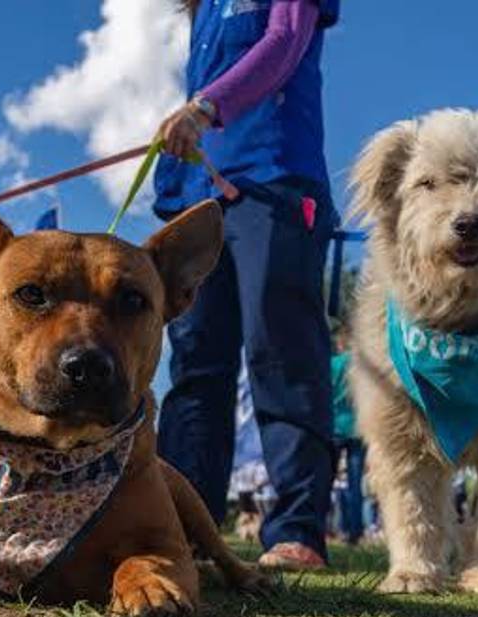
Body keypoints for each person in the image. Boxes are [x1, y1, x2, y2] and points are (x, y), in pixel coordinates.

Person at [154, 0, 341, 571]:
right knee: (195, 364)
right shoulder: (204, 12)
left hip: (274, 184)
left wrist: (204, 108)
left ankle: (297, 530)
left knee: (281, 352)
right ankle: (182, 529)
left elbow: (283, 42)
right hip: (200, 197)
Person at [331, 330, 365, 544]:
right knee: (355, 483)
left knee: (328, 482)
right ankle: (355, 532)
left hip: (334, 426)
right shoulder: (361, 365)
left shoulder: (332, 364)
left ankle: (321, 527)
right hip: (357, 428)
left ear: (340, 344)